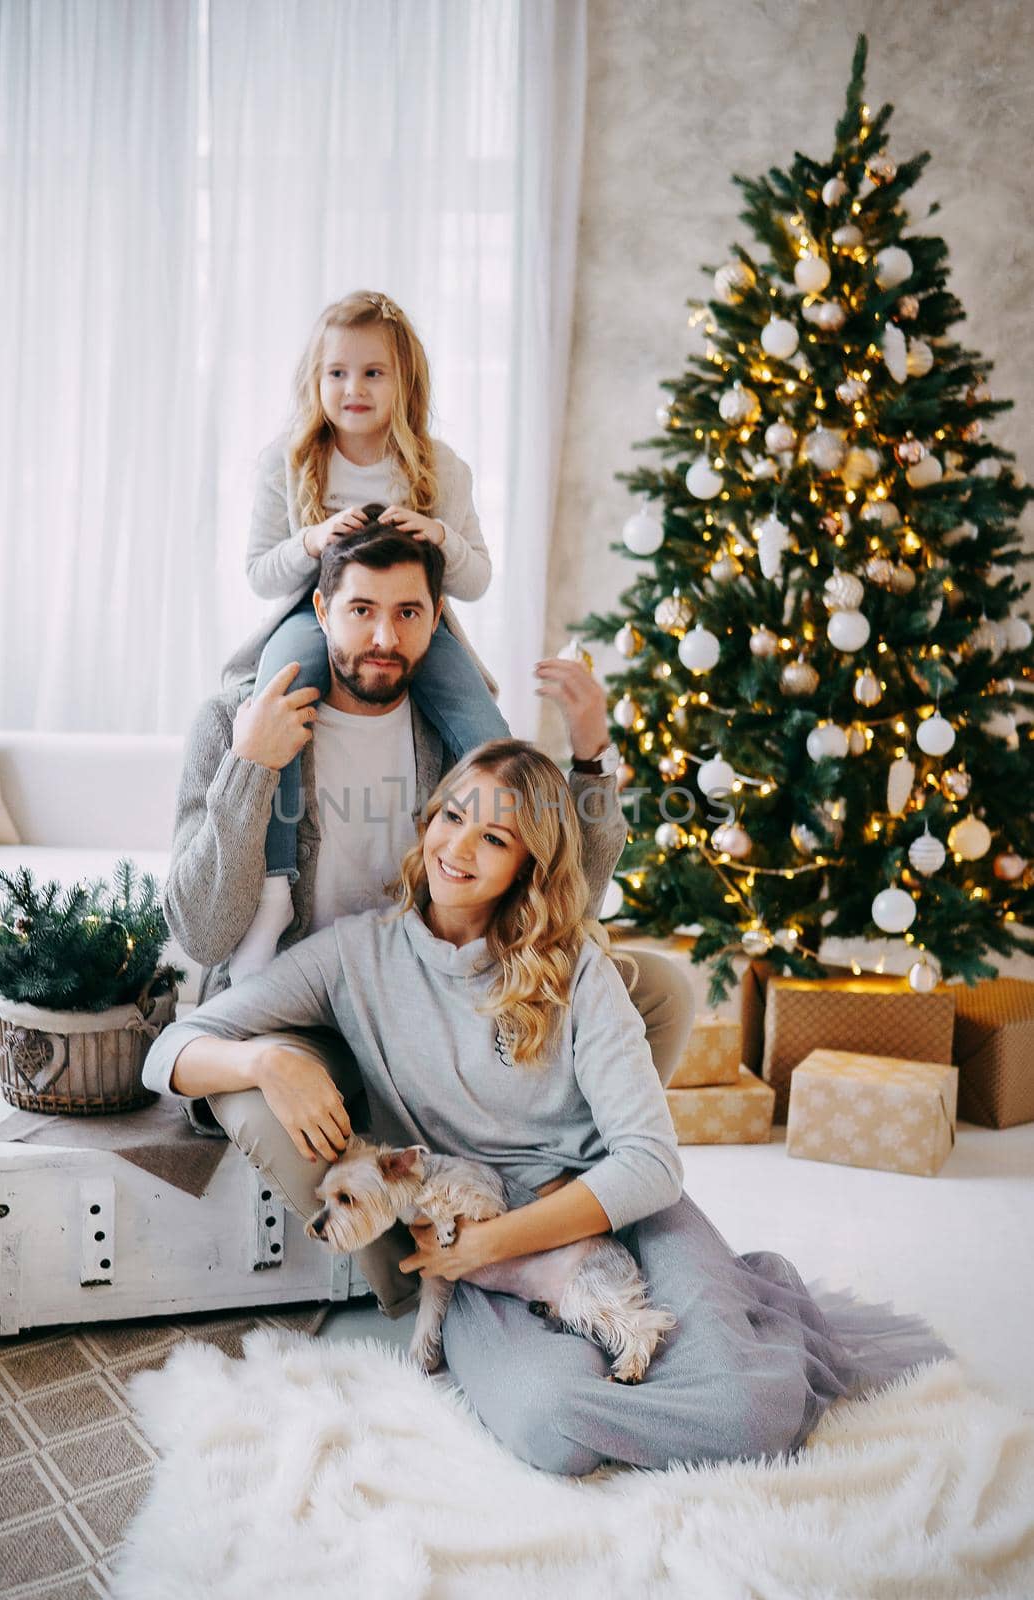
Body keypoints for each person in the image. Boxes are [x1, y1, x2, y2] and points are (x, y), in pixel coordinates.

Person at [144, 741, 950, 1477]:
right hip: (478, 1257)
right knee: (552, 1427)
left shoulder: (575, 969)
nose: (458, 848)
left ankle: (727, 1330)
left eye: (494, 839)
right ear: (429, 819)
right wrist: (265, 1058)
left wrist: (493, 1243)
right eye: (453, 817)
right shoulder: (351, 957)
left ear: (528, 864)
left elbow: (649, 1163)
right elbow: (167, 1052)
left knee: (756, 1412)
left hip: (613, 1211)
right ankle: (699, 1354)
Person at [163, 514, 694, 1315]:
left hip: (438, 988)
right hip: (308, 994)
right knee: (249, 1098)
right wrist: (249, 768)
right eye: (361, 610)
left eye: (407, 613)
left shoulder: (449, 735)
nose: (384, 635)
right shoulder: (235, 721)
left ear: (436, 621)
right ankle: (427, 1276)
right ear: (319, 610)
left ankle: (550, 1196)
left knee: (656, 986)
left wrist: (591, 759)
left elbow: (559, 886)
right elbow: (201, 930)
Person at [224, 288, 508, 893]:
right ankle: (277, 883)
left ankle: (500, 876)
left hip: (413, 622)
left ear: (404, 382)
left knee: (486, 727)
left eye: (373, 372)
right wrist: (310, 541)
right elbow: (257, 574)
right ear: (315, 380)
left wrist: (440, 538)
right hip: (313, 614)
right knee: (280, 696)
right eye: (338, 373)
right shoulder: (288, 462)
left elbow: (477, 579)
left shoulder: (440, 467)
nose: (354, 388)